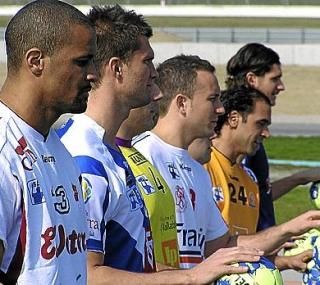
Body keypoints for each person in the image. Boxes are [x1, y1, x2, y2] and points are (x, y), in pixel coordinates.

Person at [58, 5, 263, 285]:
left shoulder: (115, 152)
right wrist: (190, 277)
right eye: (147, 61)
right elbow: (87, 275)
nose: (155, 73)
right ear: (117, 68)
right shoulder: (85, 157)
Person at [133, 54, 320, 267]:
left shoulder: (196, 170)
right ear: (182, 103)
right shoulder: (141, 158)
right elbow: (129, 260)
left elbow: (222, 247)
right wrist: (190, 278)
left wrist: (290, 229)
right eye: (212, 99)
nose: (220, 109)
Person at [0, 0, 97, 284]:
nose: (92, 74)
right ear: (36, 61)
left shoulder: (59, 150)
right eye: (81, 62)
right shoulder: (5, 152)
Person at [226, 42, 320, 231]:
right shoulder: (240, 135)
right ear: (252, 79)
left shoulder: (250, 132)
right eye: (275, 79)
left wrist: (299, 178)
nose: (281, 87)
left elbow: (255, 196)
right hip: (245, 253)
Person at [116, 84, 180, 269]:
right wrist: (185, 279)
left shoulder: (136, 152)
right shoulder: (100, 159)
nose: (159, 95)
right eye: (149, 84)